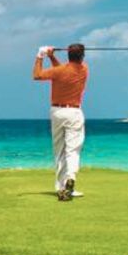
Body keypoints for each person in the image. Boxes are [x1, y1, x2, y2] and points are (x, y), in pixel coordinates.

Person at [32, 43, 88, 201]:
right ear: (82, 56)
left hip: (57, 112)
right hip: (74, 112)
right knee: (72, 150)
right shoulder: (84, 69)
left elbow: (37, 75)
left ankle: (62, 187)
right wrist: (50, 56)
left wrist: (40, 55)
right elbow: (63, 71)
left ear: (68, 55)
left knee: (59, 150)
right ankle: (71, 179)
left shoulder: (59, 71)